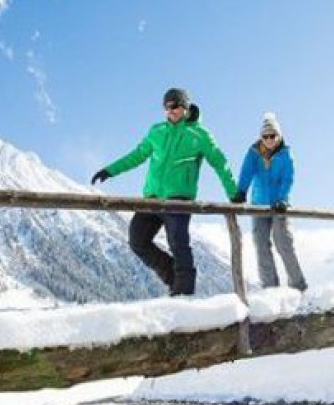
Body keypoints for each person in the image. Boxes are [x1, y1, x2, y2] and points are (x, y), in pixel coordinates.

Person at [91, 87, 241, 296]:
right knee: (137, 240)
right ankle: (174, 277)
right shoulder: (157, 131)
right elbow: (136, 156)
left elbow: (220, 163)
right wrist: (110, 170)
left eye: (174, 106)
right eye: (166, 106)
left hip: (178, 199)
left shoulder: (199, 135)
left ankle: (184, 291)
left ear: (185, 108)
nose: (170, 110)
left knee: (178, 243)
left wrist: (234, 194)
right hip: (152, 198)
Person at [235, 112, 307, 292]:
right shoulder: (253, 153)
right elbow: (246, 173)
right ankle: (270, 289)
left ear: (279, 136)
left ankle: (298, 286)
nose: (269, 140)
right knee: (260, 243)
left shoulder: (285, 155)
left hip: (278, 205)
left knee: (282, 241)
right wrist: (241, 191)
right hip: (259, 204)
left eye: (272, 136)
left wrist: (282, 199)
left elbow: (287, 179)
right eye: (265, 136)